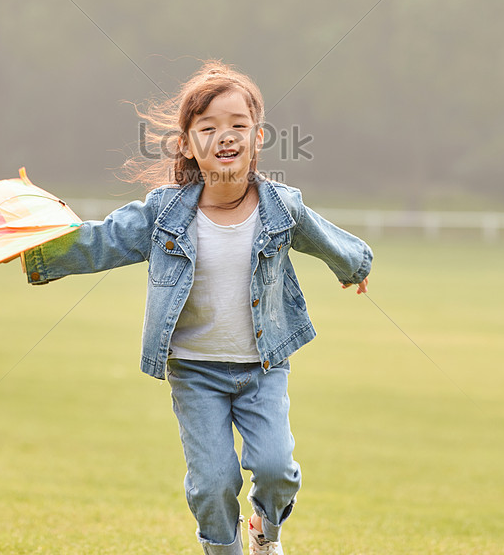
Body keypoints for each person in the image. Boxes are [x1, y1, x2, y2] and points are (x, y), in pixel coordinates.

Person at [22, 61, 373, 555]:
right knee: (212, 484)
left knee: (276, 470)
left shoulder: (280, 207)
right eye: (208, 128)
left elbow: (325, 239)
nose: (224, 136)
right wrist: (35, 252)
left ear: (258, 137)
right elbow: (103, 241)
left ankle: (265, 532)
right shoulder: (163, 213)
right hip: (195, 369)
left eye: (237, 125)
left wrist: (354, 266)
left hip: (263, 366)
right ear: (187, 144)